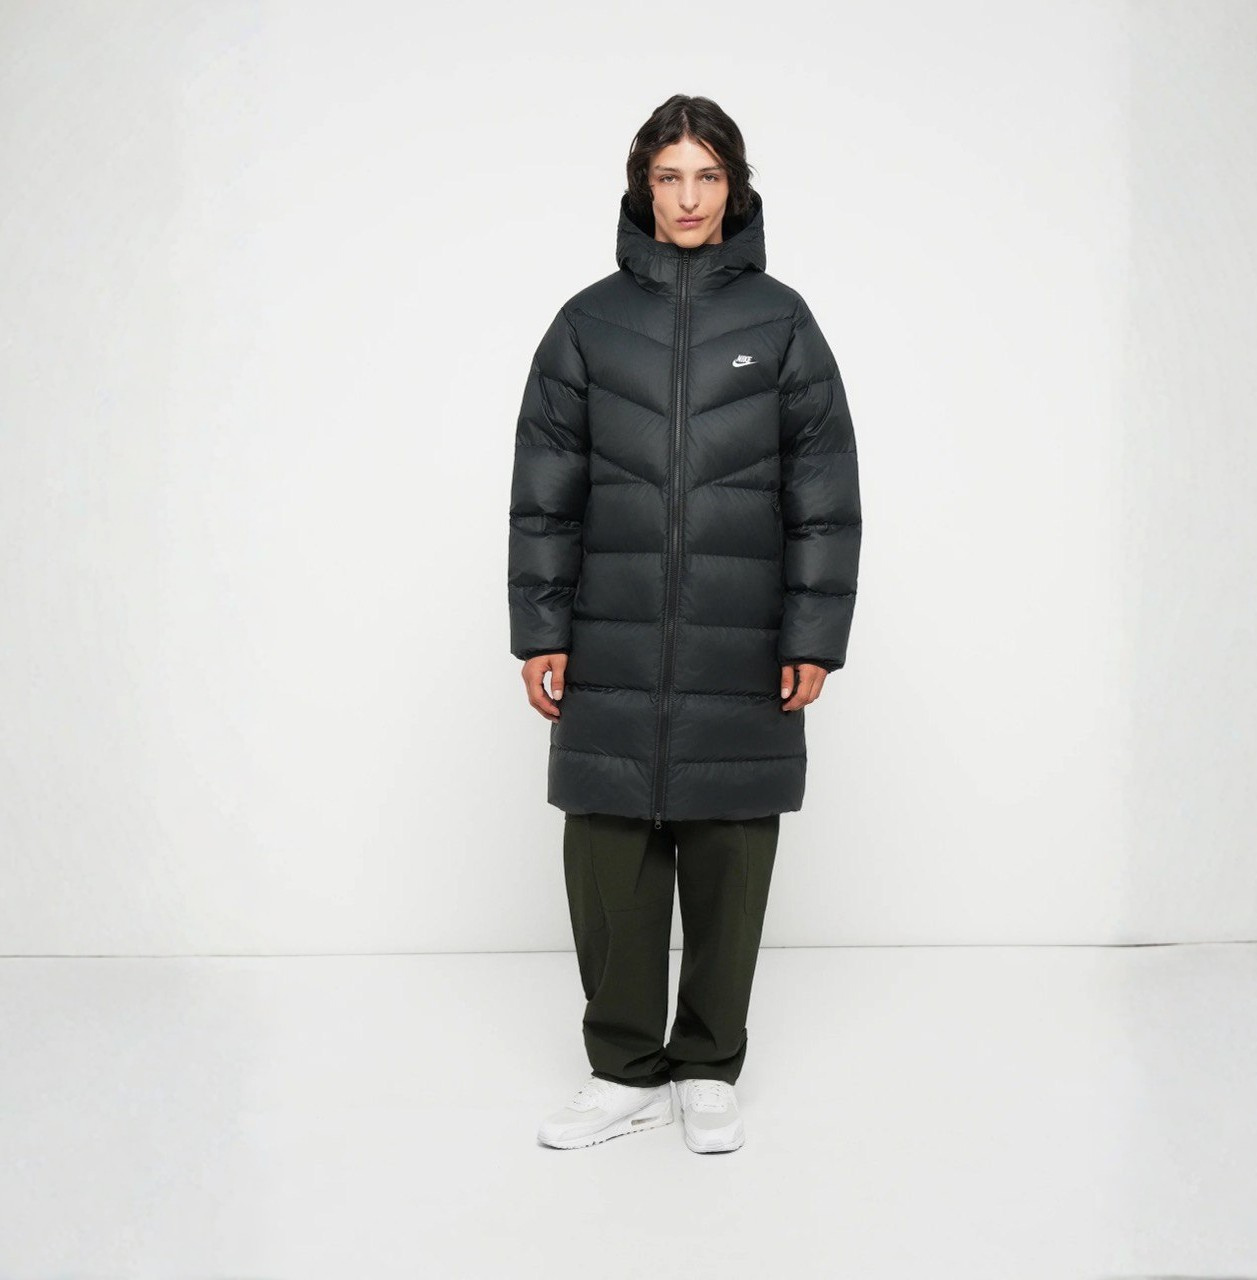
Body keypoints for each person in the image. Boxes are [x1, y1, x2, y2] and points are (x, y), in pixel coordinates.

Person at [507, 94, 862, 1153]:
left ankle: (708, 1064)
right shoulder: (587, 324)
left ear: (734, 187)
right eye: (670, 177)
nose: (690, 198)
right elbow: (543, 492)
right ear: (643, 188)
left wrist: (811, 635)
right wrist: (540, 628)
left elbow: (824, 492)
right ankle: (622, 1069)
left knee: (730, 852)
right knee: (608, 853)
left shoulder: (782, 323)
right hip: (609, 637)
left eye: (708, 176)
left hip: (741, 643)